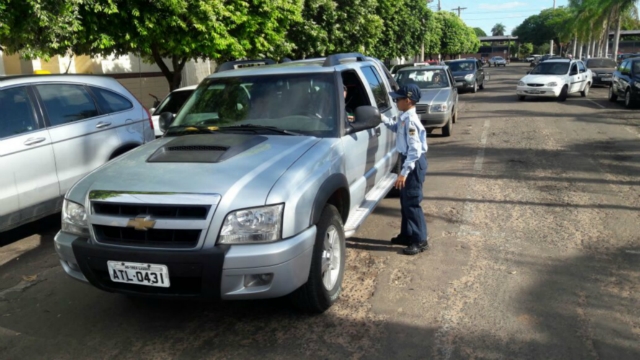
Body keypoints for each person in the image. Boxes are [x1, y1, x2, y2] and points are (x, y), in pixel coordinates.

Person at [382, 84, 429, 255]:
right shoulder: (404, 117)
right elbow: (396, 128)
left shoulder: (411, 121)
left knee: (412, 203)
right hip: (408, 161)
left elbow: (415, 151)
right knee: (405, 202)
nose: (396, 101)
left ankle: (420, 240)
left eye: (398, 99)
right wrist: (382, 119)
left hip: (413, 164)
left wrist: (403, 173)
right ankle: (406, 234)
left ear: (408, 100)